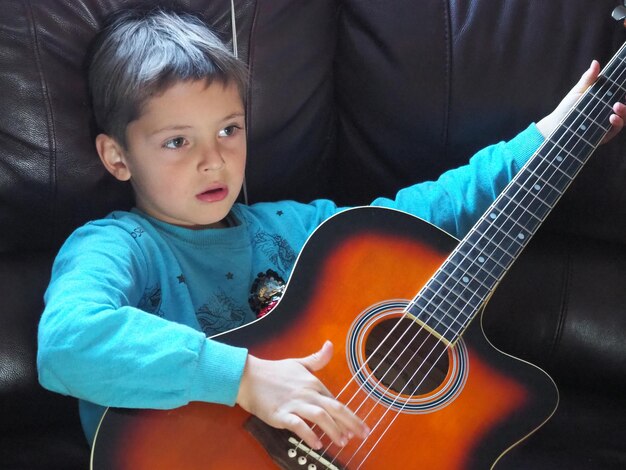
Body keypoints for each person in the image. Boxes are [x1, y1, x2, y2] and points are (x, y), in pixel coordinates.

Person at [37, 4, 626, 452]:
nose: (213, 160)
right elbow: (67, 343)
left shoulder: (298, 229)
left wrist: (547, 136)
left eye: (229, 129)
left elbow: (425, 212)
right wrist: (242, 378)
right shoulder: (114, 246)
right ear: (116, 158)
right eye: (176, 141)